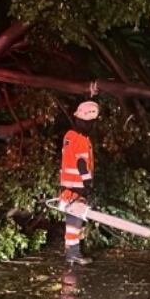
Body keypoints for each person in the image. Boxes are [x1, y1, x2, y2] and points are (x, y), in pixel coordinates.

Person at [59, 101, 100, 266]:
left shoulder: (69, 135)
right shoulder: (82, 139)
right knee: (75, 223)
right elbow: (81, 163)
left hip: (67, 186)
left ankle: (71, 251)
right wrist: (87, 182)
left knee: (72, 221)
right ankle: (73, 254)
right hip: (77, 187)